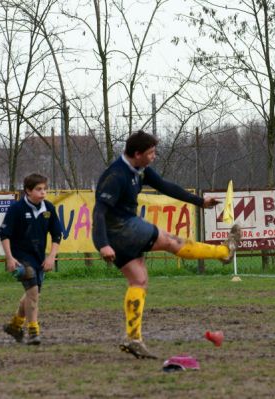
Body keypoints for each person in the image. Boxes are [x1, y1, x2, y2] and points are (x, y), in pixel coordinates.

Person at [92, 130, 241, 359]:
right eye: (151, 153)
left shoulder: (139, 169)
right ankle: (223, 251)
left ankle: (133, 338)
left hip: (119, 234)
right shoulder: (116, 176)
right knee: (172, 241)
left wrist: (200, 201)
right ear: (137, 153)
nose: (154, 156)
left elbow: (166, 186)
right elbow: (99, 212)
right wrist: (102, 244)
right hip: (121, 229)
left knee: (139, 281)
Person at [0, 173, 63, 345]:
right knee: (33, 294)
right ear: (28, 191)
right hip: (20, 259)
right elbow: (4, 234)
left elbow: (57, 234)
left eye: (45, 189)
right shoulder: (16, 209)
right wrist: (10, 258)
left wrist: (51, 257)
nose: (43, 193)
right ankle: (34, 332)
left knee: (31, 295)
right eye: (39, 189)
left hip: (38, 258)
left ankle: (15, 326)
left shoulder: (48, 208)